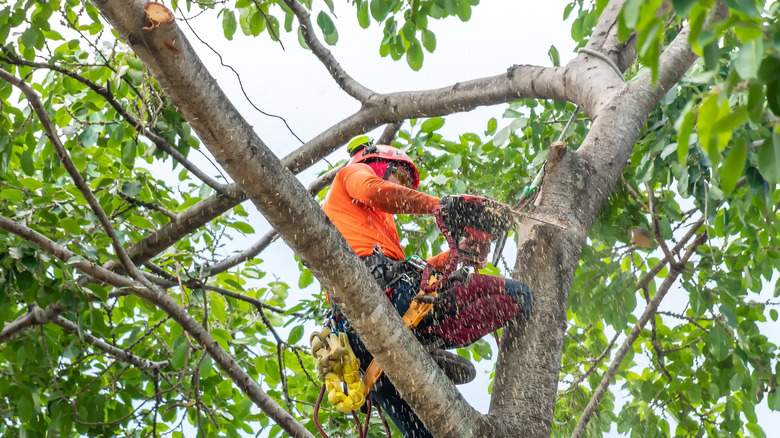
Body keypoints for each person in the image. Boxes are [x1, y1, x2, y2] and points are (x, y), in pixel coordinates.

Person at [321, 142, 533, 437]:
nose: (404, 186)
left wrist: (459, 251)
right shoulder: (352, 174)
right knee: (516, 295)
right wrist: (438, 205)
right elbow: (374, 191)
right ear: (380, 164)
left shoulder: (378, 228)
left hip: (373, 338)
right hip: (385, 303)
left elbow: (411, 267)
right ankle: (426, 341)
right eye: (402, 177)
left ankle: (426, 344)